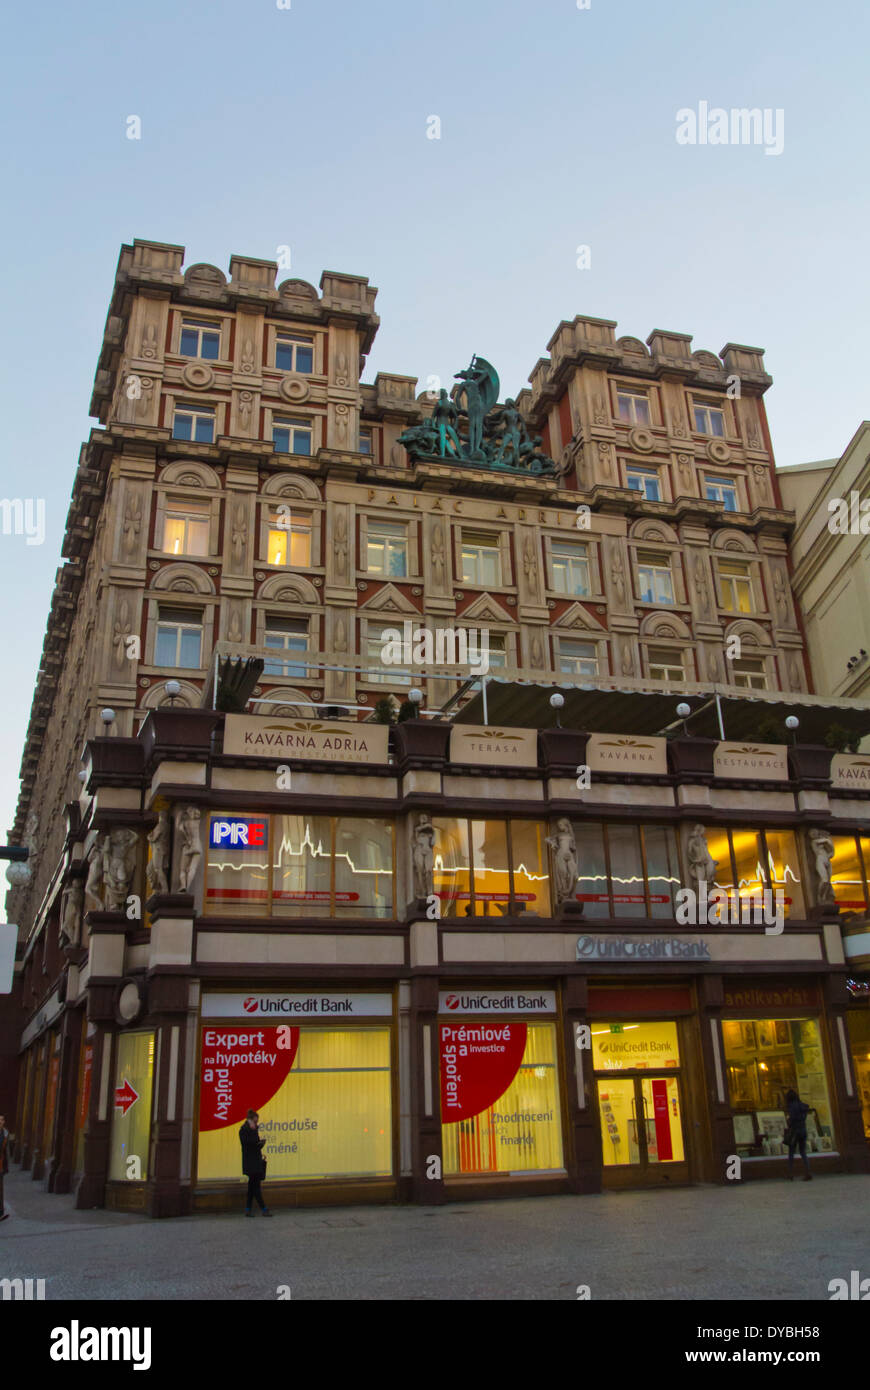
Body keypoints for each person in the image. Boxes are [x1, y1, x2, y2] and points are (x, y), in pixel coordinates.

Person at [239, 1109, 272, 1216]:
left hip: (255, 1161)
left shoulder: (252, 1130)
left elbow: (255, 1143)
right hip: (251, 1162)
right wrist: (253, 1132)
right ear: (250, 1120)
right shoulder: (244, 1130)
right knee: (255, 1186)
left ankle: (248, 1209)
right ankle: (264, 1208)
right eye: (255, 1121)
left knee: (252, 1186)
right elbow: (248, 1144)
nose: (257, 1123)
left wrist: (260, 1143)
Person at [784, 1088, 812, 1181]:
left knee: (791, 1152)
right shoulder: (802, 1106)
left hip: (794, 1131)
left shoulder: (791, 1107)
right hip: (803, 1129)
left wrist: (788, 1122)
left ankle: (790, 1173)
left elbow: (791, 1119)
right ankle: (808, 1172)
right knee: (803, 1152)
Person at [0, 1114, 9, 1220]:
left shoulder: (5, 1133)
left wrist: (6, 1166)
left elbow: (6, 1152)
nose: (0, 1122)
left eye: (2, 1120)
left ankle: (1, 1211)